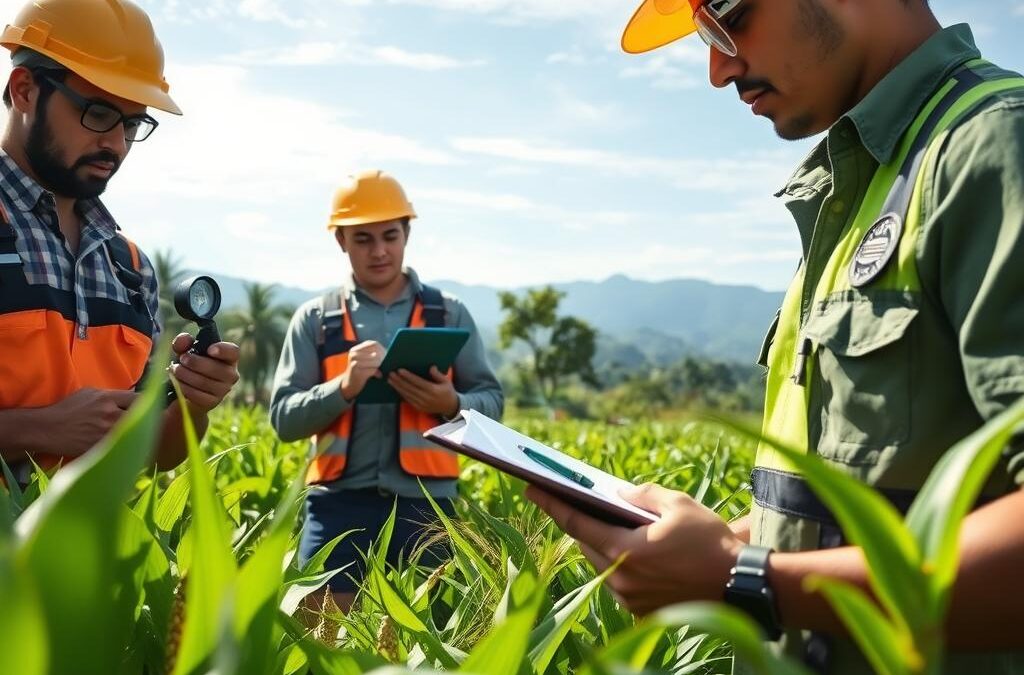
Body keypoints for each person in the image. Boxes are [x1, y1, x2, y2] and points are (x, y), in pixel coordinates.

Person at [528, 1, 1024, 673]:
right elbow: (866, 495)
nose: (718, 66)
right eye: (706, 34)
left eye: (727, 14)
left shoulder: (994, 146)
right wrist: (714, 546)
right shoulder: (863, 187)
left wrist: (744, 576)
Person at [0, 0, 240, 478]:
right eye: (98, 113)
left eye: (131, 123)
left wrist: (193, 403)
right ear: (25, 91)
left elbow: (153, 455)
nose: (115, 142)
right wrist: (35, 430)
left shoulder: (130, 267)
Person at [270, 169, 503, 612]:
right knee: (322, 641)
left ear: (406, 234)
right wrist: (343, 387)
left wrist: (451, 404)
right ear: (341, 241)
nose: (379, 251)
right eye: (362, 239)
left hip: (428, 509)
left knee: (431, 641)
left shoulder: (449, 314)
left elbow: (492, 405)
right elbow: (284, 420)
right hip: (337, 508)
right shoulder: (315, 319)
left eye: (389, 236)